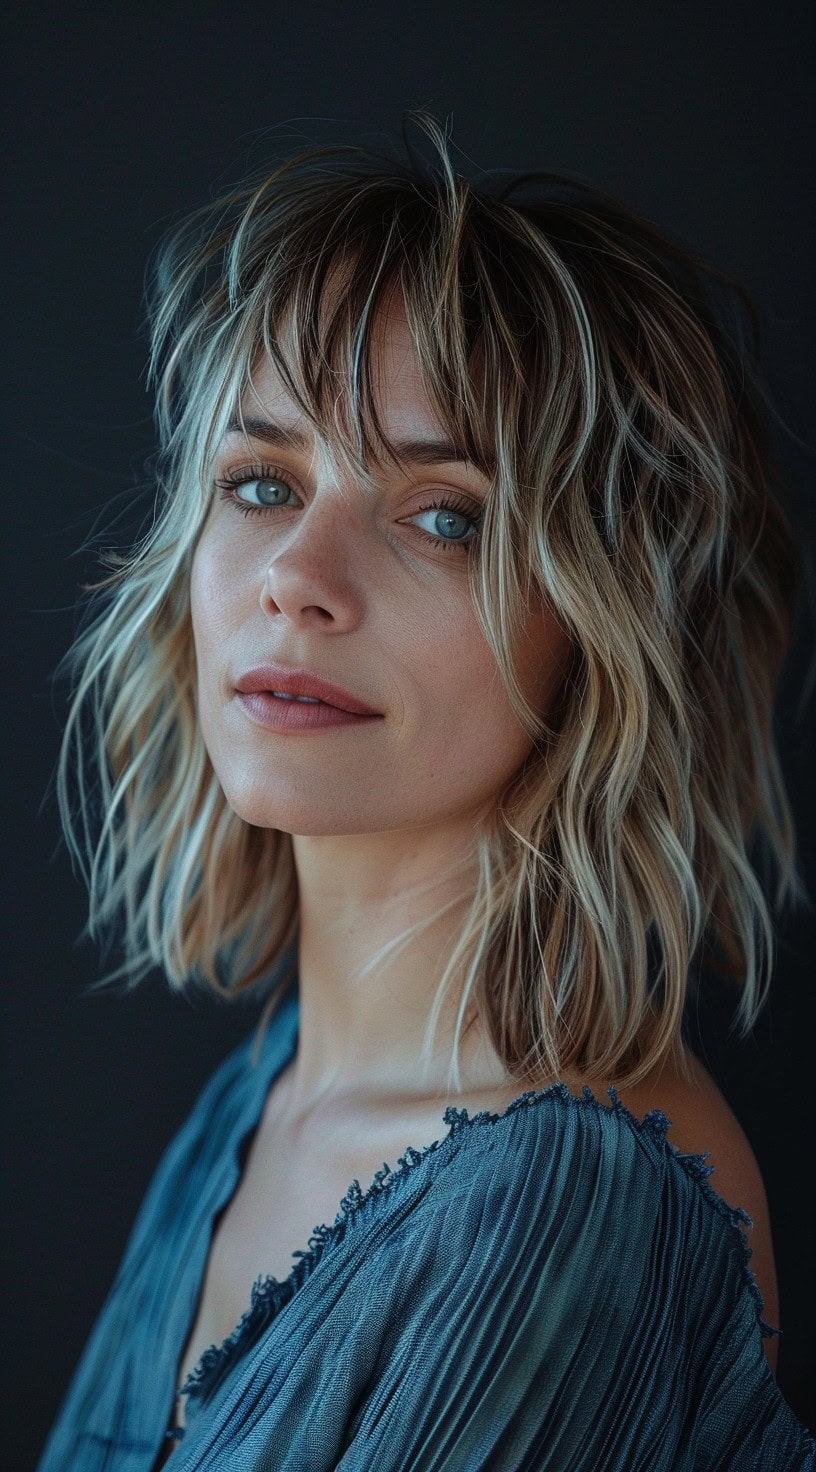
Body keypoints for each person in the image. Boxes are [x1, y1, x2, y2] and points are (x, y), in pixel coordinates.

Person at [37, 110, 815, 1470]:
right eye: (262, 480)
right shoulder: (268, 1095)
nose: (296, 575)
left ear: (598, 621)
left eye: (443, 514)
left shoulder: (567, 1207)